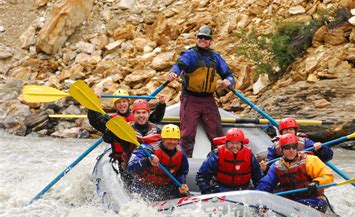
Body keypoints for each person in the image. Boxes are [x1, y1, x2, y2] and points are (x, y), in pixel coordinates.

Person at [167, 25, 235, 158]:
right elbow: (179, 66)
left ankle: (218, 160)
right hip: (190, 98)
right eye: (200, 37)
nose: (202, 40)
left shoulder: (215, 57)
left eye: (206, 38)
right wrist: (173, 73)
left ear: (210, 41)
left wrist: (228, 81)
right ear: (197, 38)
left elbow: (229, 74)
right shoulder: (190, 55)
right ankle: (185, 163)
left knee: (216, 132)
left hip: (208, 99)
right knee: (187, 134)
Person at [256, 133, 334, 212]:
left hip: (313, 199)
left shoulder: (311, 160)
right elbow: (266, 184)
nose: (291, 150)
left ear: (297, 148)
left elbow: (328, 176)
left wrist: (317, 182)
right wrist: (257, 195)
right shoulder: (276, 166)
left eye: (294, 147)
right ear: (281, 149)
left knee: (312, 205)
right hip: (290, 201)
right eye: (287, 147)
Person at [87, 89, 166, 166]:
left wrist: (161, 105)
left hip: (143, 155)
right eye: (118, 102)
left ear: (128, 103)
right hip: (122, 158)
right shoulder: (111, 120)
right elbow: (95, 121)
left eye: (124, 101)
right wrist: (93, 103)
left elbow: (155, 118)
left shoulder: (138, 116)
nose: (121, 104)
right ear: (115, 105)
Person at [126, 124, 189, 201]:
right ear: (162, 138)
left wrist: (181, 184)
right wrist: (148, 161)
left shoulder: (181, 152)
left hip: (167, 187)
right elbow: (130, 167)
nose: (172, 142)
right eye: (169, 139)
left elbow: (182, 173)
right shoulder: (148, 148)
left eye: (175, 139)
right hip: (144, 186)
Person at [196, 128, 262, 194]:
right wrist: (207, 193)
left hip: (244, 189)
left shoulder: (249, 155)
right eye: (231, 143)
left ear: (242, 144)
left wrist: (258, 193)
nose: (234, 146)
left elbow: (258, 177)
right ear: (226, 143)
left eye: (237, 143)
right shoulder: (217, 154)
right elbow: (202, 176)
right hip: (221, 189)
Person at [260, 117, 333, 172]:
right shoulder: (275, 147)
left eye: (291, 129)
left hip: (305, 172)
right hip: (287, 173)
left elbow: (328, 156)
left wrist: (321, 148)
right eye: (285, 130)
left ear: (295, 131)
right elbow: (271, 166)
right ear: (281, 132)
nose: (288, 132)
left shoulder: (305, 142)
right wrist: (265, 168)